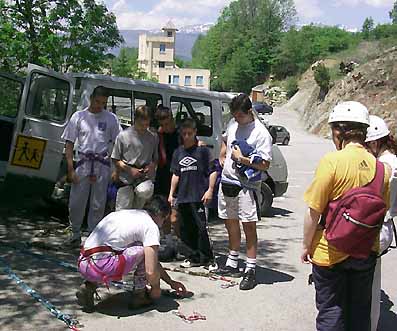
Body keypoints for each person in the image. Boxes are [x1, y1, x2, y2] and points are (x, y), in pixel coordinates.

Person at [302, 102, 391, 331]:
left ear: (339, 132)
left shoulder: (332, 161)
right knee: (359, 314)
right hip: (365, 251)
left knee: (331, 311)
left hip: (329, 251)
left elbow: (314, 211)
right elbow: (383, 212)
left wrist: (305, 246)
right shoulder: (382, 169)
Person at [76, 196, 187, 312]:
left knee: (137, 250)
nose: (162, 224)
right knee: (144, 252)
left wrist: (170, 282)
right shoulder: (150, 226)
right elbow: (150, 269)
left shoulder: (126, 214)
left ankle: (89, 285)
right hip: (103, 266)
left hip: (84, 263)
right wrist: (156, 288)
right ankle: (140, 296)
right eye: (164, 220)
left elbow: (153, 261)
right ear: (161, 215)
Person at [215, 93, 273, 291]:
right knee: (229, 221)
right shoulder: (233, 124)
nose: (237, 119)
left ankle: (250, 268)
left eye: (240, 115)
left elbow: (265, 164)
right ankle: (232, 261)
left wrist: (242, 160)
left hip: (247, 185)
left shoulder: (261, 133)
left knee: (248, 225)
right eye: (234, 115)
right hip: (227, 180)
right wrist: (223, 154)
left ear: (249, 112)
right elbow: (225, 139)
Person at [62, 86, 121, 247]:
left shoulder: (111, 119)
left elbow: (118, 144)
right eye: (97, 101)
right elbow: (69, 143)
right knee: (76, 201)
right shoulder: (79, 117)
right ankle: (74, 233)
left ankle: (92, 237)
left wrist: (115, 168)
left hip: (102, 164)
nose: (99, 105)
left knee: (98, 203)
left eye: (103, 102)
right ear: (91, 98)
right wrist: (70, 168)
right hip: (82, 162)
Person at [168, 118, 217, 268]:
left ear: (195, 132)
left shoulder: (203, 151)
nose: (187, 136)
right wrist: (171, 193)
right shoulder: (178, 152)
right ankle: (193, 256)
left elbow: (213, 171)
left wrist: (210, 190)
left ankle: (208, 259)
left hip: (199, 196)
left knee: (201, 228)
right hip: (183, 196)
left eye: (190, 133)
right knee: (186, 228)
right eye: (184, 134)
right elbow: (176, 174)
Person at [365, 115, 397, 331]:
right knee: (372, 285)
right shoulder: (393, 162)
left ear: (375, 143)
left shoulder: (383, 167)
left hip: (375, 229)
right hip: (385, 227)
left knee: (367, 289)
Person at [111, 105, 158, 210]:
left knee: (139, 213)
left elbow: (155, 159)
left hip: (144, 180)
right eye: (141, 124)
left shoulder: (153, 137)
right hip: (126, 179)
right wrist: (130, 170)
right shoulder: (123, 136)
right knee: (122, 214)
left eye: (147, 124)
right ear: (135, 119)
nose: (144, 127)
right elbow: (115, 159)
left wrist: (151, 166)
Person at [154, 105, 181, 260]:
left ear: (171, 117)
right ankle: (167, 241)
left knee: (175, 215)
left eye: (167, 122)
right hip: (162, 176)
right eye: (162, 124)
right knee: (163, 211)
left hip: (177, 177)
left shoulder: (180, 134)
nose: (165, 126)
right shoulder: (158, 135)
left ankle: (177, 242)